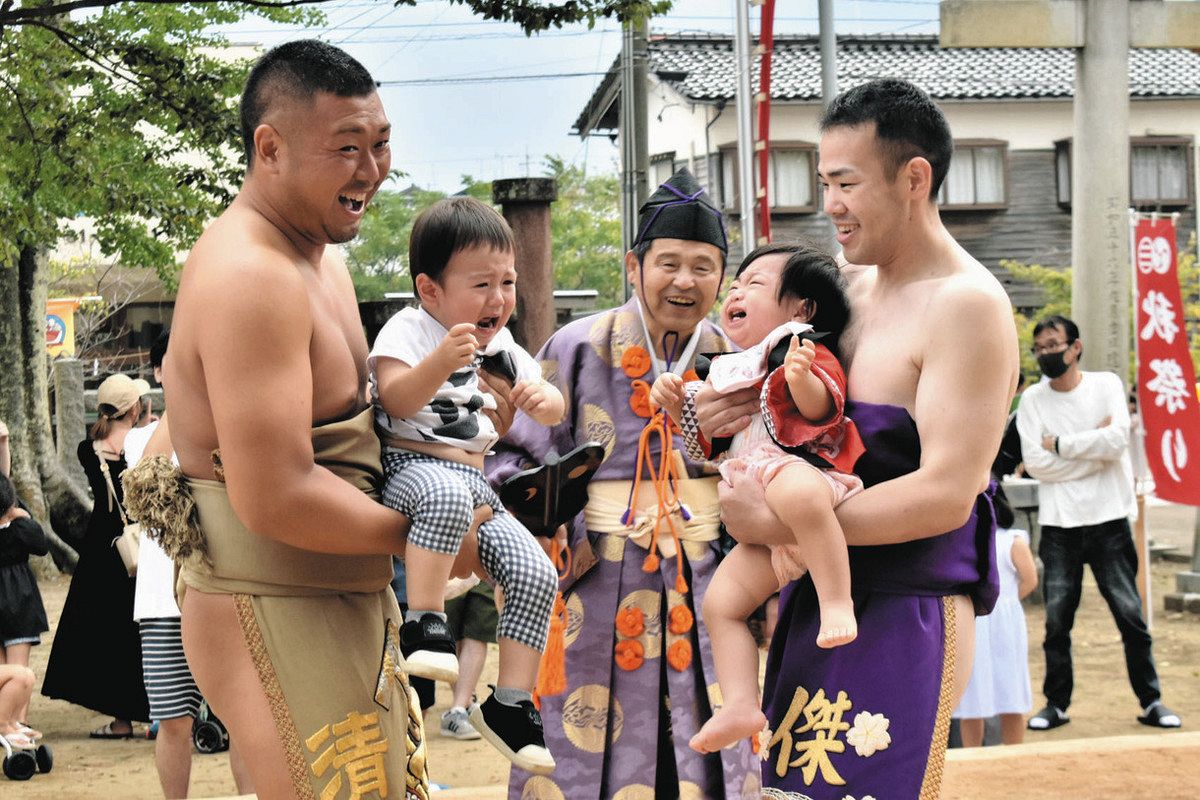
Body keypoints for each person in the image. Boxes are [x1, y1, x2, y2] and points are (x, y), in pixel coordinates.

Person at [161, 40, 485, 799]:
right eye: (346, 148)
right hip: (270, 594)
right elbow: (273, 493)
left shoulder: (320, 260)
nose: (371, 170)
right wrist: (429, 536)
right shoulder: (251, 274)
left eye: (380, 144)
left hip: (342, 588)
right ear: (268, 148)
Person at [697, 79, 1018, 799]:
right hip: (814, 593)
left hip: (909, 605)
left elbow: (945, 494)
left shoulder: (966, 305)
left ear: (914, 178)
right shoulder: (844, 289)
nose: (829, 205)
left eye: (845, 182)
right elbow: (810, 422)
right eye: (824, 182)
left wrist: (783, 520)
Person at [490, 167, 759, 800]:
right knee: (582, 764)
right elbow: (509, 464)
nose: (685, 280)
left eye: (704, 265)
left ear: (722, 277)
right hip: (593, 584)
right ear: (634, 267)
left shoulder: (741, 359)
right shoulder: (575, 345)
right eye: (669, 263)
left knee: (703, 750)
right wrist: (565, 518)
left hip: (711, 584)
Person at [369, 196, 560, 774]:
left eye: (507, 282)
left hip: (479, 485)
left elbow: (553, 410)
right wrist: (442, 360)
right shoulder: (408, 329)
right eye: (481, 284)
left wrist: (540, 399)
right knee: (446, 494)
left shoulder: (505, 348)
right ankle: (424, 623)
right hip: (412, 468)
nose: (498, 299)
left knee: (536, 570)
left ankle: (510, 703)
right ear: (431, 290)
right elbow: (395, 398)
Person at [651, 242, 865, 754]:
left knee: (799, 495)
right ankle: (741, 703)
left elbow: (820, 413)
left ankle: (839, 601)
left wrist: (801, 379)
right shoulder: (725, 364)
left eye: (756, 284)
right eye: (737, 285)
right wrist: (677, 403)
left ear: (802, 309)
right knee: (721, 604)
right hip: (751, 497)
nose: (737, 292)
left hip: (799, 472)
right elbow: (705, 442)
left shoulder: (802, 349)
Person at [1016, 315, 1182, 731]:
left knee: (1130, 616)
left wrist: (1063, 446)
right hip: (1059, 526)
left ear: (1075, 347)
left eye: (1054, 345)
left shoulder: (1106, 385)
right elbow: (1037, 465)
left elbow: (1117, 441)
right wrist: (1091, 451)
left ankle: (1151, 700)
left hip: (1109, 521)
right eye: (1040, 349)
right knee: (1057, 622)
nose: (1046, 354)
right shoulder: (1034, 401)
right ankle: (1056, 704)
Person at [124, 332, 253, 799]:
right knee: (173, 720)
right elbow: (144, 477)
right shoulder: (141, 434)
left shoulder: (236, 418)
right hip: (163, 601)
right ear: (160, 373)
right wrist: (190, 395)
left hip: (234, 589)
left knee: (246, 716)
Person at [42, 373, 152, 738]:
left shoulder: (87, 450)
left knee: (106, 632)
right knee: (146, 630)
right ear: (134, 408)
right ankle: (159, 715)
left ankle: (120, 721)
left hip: (102, 550)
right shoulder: (142, 444)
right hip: (142, 544)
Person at [952, 487, 1038, 746]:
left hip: (1004, 623)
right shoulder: (964, 541)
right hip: (975, 622)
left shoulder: (1012, 540)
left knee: (1009, 684)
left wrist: (1004, 605)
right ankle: (972, 754)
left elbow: (1029, 580)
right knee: (972, 690)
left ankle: (1013, 752)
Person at [0, 471, 49, 739]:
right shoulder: (20, 528)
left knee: (5, 671)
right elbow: (40, 546)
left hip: (17, 600)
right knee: (20, 670)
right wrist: (24, 517)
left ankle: (8, 723)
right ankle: (18, 722)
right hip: (20, 597)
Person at [439, 581, 499, 742]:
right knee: (449, 631)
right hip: (449, 565)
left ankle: (459, 706)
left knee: (478, 630)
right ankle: (464, 702)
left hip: (486, 566)